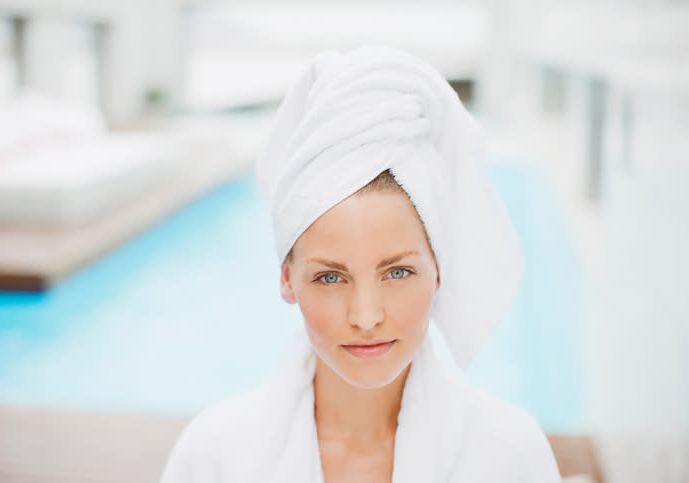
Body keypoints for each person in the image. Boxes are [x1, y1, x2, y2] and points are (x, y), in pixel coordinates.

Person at [160, 45, 562, 482]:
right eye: (330, 277)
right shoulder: (214, 458)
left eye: (398, 272)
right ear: (287, 278)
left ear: (440, 270)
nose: (366, 317)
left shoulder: (510, 456)